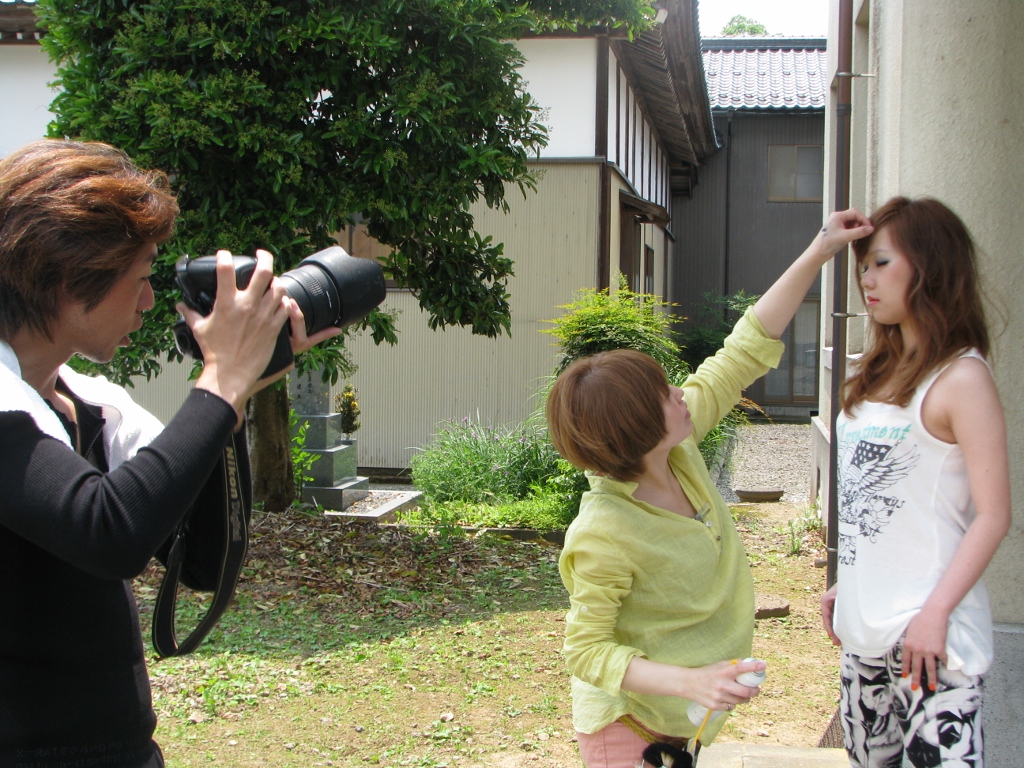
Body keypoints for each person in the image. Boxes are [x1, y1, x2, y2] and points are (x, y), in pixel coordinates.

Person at [0, 139, 339, 768]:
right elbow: (110, 531)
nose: (149, 301)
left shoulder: (91, 403)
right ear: (73, 280)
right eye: (140, 277)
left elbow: (203, 559)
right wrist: (221, 383)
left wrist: (236, 392)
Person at [546, 209, 873, 768]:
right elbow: (586, 650)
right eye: (663, 395)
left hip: (681, 722)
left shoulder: (678, 450)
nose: (680, 392)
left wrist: (820, 249)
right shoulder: (603, 533)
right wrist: (691, 681)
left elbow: (744, 349)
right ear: (636, 430)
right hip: (628, 728)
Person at [820, 197, 1010, 768]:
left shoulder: (962, 378)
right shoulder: (873, 372)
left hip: (931, 637)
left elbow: (994, 516)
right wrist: (849, 582)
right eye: (863, 267)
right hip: (863, 631)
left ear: (930, 267)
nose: (866, 280)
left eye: (881, 263)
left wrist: (935, 614)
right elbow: (874, 502)